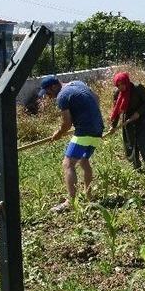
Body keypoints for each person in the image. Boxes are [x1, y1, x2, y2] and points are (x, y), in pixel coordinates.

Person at [39, 75, 105, 213]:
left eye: (49, 93)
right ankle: (88, 195)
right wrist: (88, 115)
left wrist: (58, 134)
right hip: (98, 129)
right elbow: (96, 98)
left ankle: (71, 201)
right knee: (83, 160)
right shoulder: (78, 83)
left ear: (53, 86)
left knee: (68, 164)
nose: (49, 97)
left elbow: (67, 124)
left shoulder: (62, 96)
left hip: (85, 131)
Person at [107, 72, 145, 174]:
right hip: (129, 120)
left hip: (144, 118)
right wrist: (113, 126)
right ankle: (136, 168)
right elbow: (116, 111)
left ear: (126, 82)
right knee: (131, 143)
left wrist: (138, 113)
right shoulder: (117, 94)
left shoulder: (137, 88)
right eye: (118, 85)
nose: (120, 87)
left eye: (122, 84)